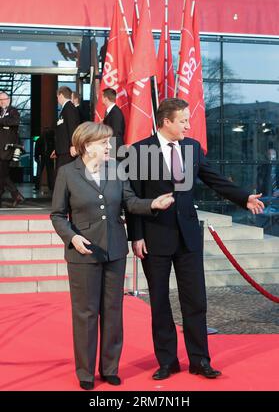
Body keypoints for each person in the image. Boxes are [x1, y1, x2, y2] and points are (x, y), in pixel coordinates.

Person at [127, 98, 264, 380]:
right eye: (183, 121)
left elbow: (214, 179)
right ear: (166, 122)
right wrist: (136, 237)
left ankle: (200, 360)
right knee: (160, 302)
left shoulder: (191, 148)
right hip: (155, 238)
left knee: (196, 301)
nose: (189, 126)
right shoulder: (140, 151)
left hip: (189, 236)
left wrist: (243, 198)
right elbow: (134, 199)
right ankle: (167, 361)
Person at [50, 121, 174, 390]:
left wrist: (152, 203)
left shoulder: (116, 169)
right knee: (86, 313)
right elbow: (58, 215)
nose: (109, 146)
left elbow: (129, 201)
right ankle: (85, 372)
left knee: (113, 311)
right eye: (104, 143)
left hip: (115, 249)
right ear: (87, 145)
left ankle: (109, 368)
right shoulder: (67, 173)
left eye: (109, 142)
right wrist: (72, 237)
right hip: (83, 252)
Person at [0, 91, 24, 207]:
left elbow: (15, 122)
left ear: (8, 100)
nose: (1, 102)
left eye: (3, 99)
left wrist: (2, 122)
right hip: (0, 147)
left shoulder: (13, 111)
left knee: (3, 174)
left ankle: (16, 194)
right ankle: (15, 195)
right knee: (2, 174)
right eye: (0, 100)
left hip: (7, 147)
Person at [50, 86, 80, 171]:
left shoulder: (69, 108)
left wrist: (73, 145)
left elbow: (72, 127)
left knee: (64, 177)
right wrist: (57, 149)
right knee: (62, 177)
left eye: (57, 97)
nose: (57, 99)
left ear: (61, 95)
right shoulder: (65, 109)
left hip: (68, 151)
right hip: (63, 150)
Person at [102, 88, 125, 159]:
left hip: (115, 151)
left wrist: (110, 152)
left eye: (102, 97)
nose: (101, 99)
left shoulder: (115, 113)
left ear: (106, 99)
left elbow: (115, 133)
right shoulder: (111, 111)